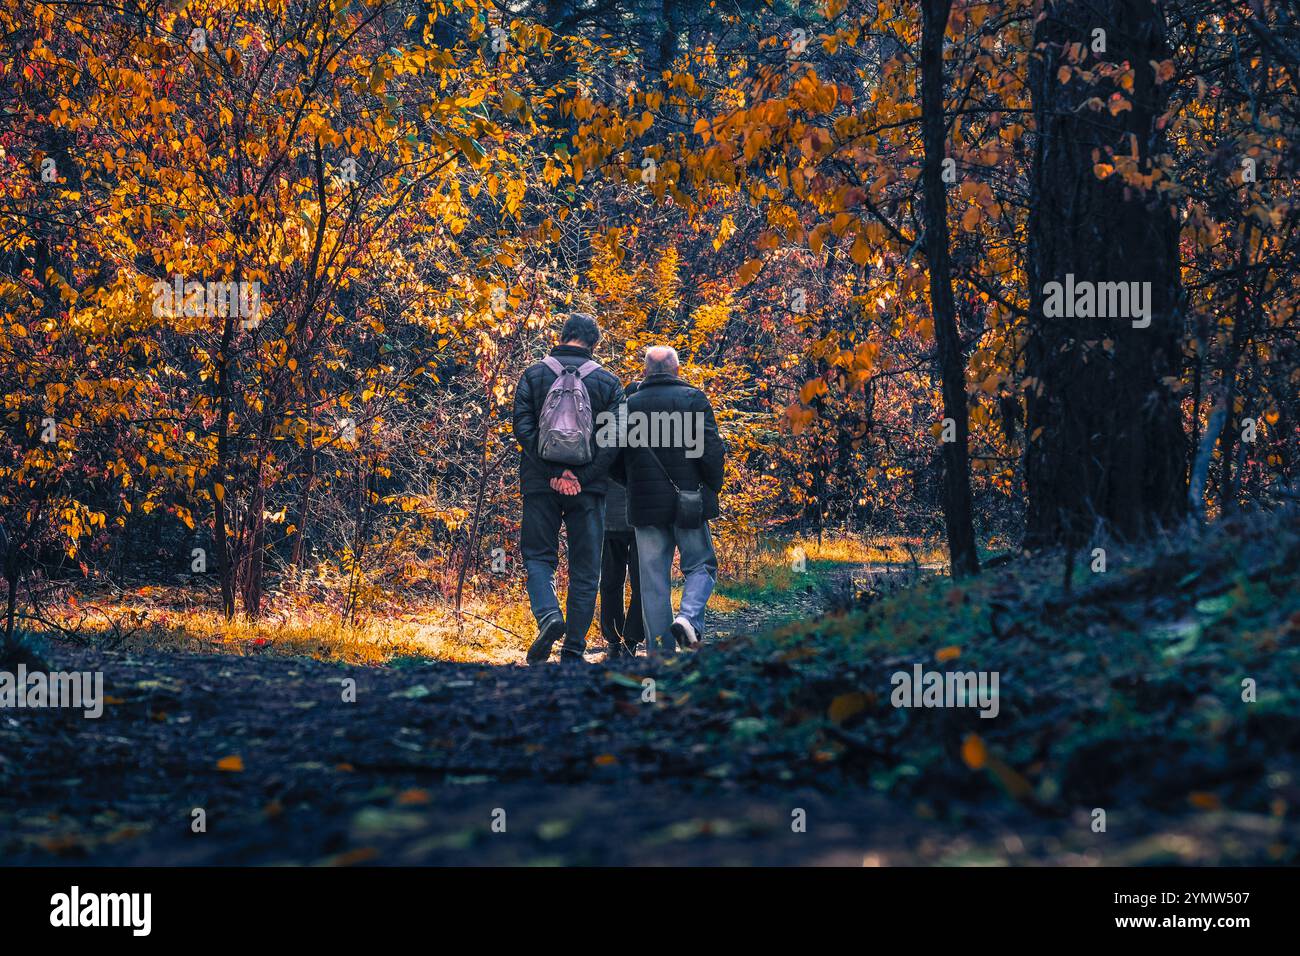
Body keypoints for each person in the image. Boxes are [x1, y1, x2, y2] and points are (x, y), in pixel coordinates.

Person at [511, 313, 624, 665]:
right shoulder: (608, 382)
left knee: (538, 556)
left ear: (563, 335)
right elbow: (615, 439)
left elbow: (522, 428)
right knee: (586, 568)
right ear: (594, 343)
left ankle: (548, 616)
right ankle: (573, 649)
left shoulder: (533, 373)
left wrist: (553, 471)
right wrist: (582, 477)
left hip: (539, 482)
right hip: (588, 491)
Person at [616, 346, 725, 654]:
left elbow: (611, 458)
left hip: (645, 505)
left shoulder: (628, 406)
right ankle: (688, 620)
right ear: (677, 371)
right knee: (701, 565)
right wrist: (710, 487)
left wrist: (633, 483)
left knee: (652, 580)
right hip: (688, 501)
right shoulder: (693, 399)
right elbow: (711, 451)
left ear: (645, 372)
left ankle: (660, 653)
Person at [600, 382, 644, 658]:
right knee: (642, 582)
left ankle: (613, 637)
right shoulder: (651, 429)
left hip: (609, 517)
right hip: (642, 519)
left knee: (610, 581)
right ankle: (632, 638)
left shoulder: (608, 427)